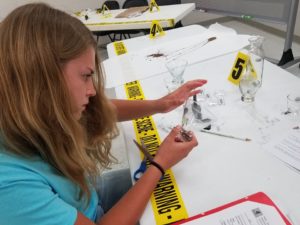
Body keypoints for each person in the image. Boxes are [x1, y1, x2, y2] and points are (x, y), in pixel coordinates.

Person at [0, 3, 207, 225]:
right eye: (86, 76)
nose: (92, 91)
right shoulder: (11, 187)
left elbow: (99, 108)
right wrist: (159, 164)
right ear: (42, 79)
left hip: (88, 198)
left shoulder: (25, 109)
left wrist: (160, 104)